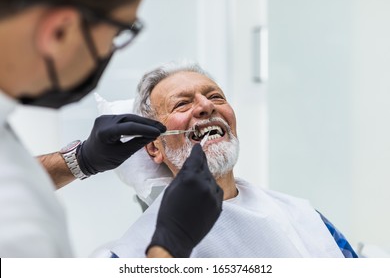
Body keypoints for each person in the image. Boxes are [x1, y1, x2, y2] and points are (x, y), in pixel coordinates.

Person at [0, 0, 223, 258]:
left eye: (217, 97)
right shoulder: (17, 223)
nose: (206, 106)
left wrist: (81, 160)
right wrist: (168, 251)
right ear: (60, 31)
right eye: (118, 34)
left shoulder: (282, 208)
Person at [94, 62, 359, 258]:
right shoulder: (130, 254)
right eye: (182, 104)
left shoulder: (305, 218)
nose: (206, 106)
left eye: (215, 97)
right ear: (154, 147)